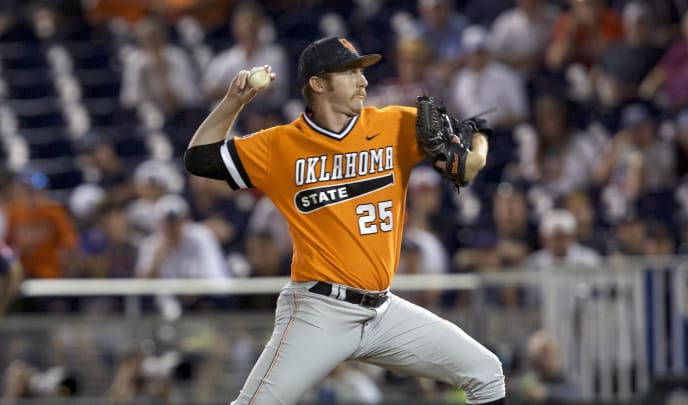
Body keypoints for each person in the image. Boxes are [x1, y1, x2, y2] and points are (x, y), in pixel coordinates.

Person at [184, 37, 505, 404]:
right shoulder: (280, 146)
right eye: (350, 72)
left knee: (486, 372)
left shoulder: (398, 124)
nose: (363, 81)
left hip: (384, 311)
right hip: (319, 311)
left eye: (362, 71)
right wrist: (233, 102)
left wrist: (477, 142)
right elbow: (199, 158)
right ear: (318, 84)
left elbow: (463, 166)